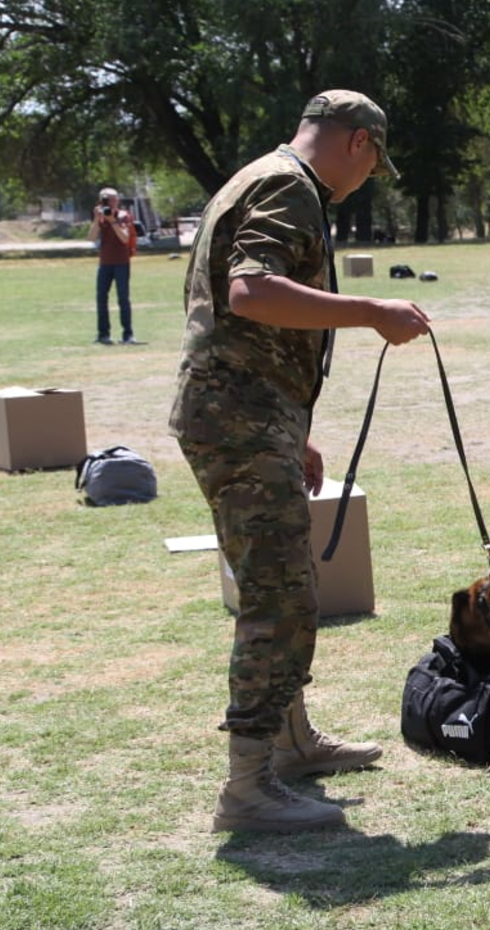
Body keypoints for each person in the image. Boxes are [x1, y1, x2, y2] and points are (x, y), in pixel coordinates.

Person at [169, 90, 432, 833]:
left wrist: (292, 421)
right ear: (357, 141)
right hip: (241, 420)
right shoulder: (289, 186)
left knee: (282, 581)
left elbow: (224, 310)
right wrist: (372, 311)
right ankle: (248, 788)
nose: (372, 174)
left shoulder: (256, 176)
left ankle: (290, 745)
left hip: (250, 414)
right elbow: (250, 293)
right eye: (376, 160)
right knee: (279, 598)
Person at [88, 187, 142, 344]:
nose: (109, 203)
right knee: (101, 299)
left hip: (121, 263)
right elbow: (91, 238)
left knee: (123, 299)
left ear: (117, 201)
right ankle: (103, 334)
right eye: (106, 200)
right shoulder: (100, 217)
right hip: (104, 263)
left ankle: (128, 334)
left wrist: (113, 221)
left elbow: (125, 238)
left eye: (112, 200)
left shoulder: (123, 216)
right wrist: (97, 221)